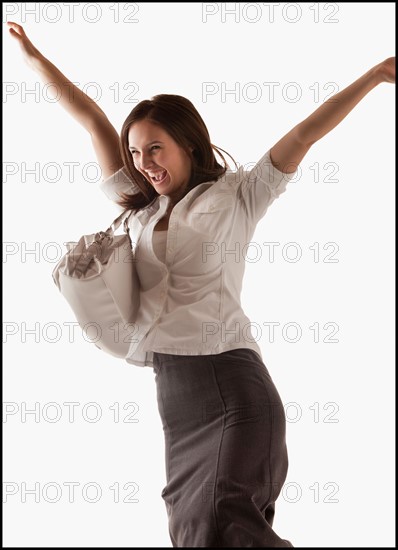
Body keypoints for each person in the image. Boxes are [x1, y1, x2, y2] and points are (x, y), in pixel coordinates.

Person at [8, 21, 395, 548]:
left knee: (222, 520)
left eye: (156, 149)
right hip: (175, 394)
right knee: (196, 532)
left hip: (234, 381)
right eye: (137, 153)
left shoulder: (240, 195)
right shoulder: (141, 207)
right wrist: (32, 56)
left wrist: (374, 75)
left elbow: (304, 133)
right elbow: (92, 119)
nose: (145, 164)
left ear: (189, 143)